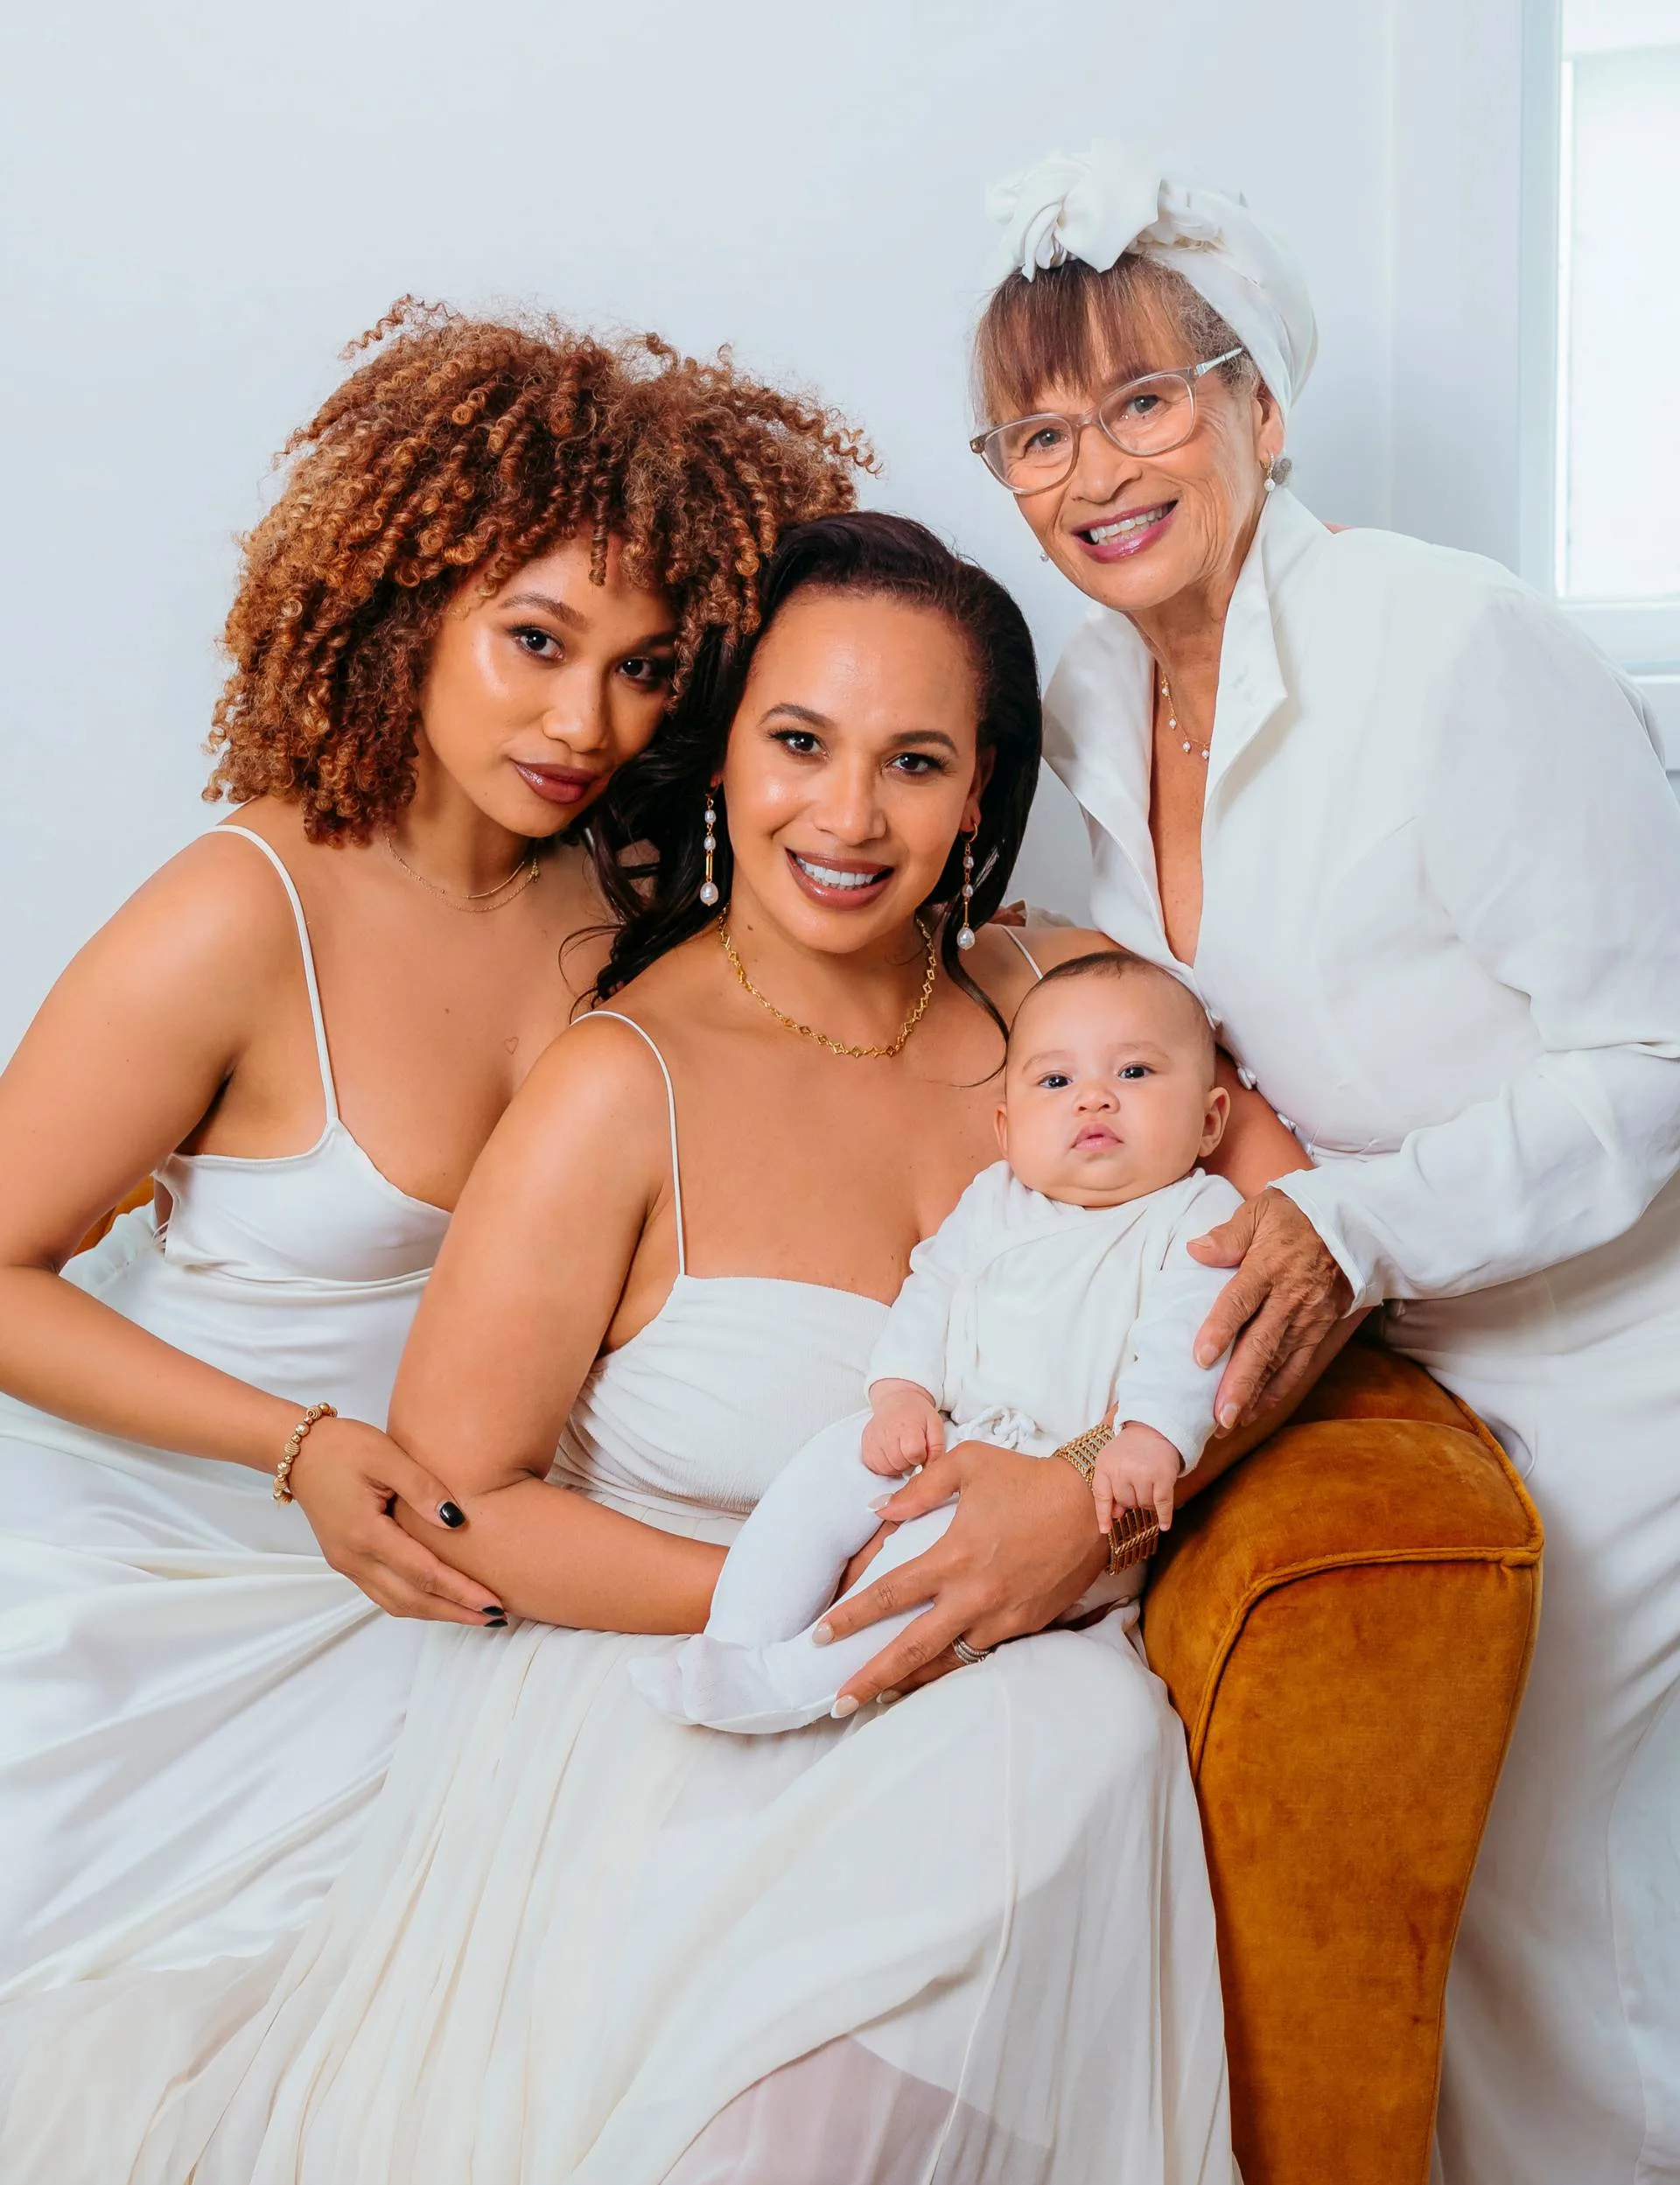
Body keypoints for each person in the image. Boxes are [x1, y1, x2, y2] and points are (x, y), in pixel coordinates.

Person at [0, 512, 1312, 2182]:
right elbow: (458, 1493)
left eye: (914, 762)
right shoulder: (616, 1078)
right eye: (797, 743)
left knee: (1070, 1746)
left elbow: (1313, 1262)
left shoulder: (1072, 1006)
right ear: (727, 758)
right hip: (650, 1671)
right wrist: (824, 1593)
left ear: (983, 790)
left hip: (986, 1687)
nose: (847, 815)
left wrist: (1092, 1505)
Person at [0, 298, 867, 2002]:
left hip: (467, 1580)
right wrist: (298, 1447)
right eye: (533, 641)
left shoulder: (620, 908)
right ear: (412, 607)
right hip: (172, 1589)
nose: (585, 723)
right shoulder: (241, 914)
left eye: (639, 671)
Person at [970, 140, 1680, 2185]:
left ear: (1258, 405)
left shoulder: (1453, 644)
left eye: (1137, 396)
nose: (1086, 460)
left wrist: (1347, 1212)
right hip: (1375, 1351)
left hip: (1606, 1356)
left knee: (1548, 1911)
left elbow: (1651, 1051)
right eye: (1033, 426)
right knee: (1382, 1904)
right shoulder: (1096, 689)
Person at [638, 948, 1242, 1733]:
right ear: (1006, 1126)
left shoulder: (1197, 1215)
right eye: (1055, 1082)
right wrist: (903, 1392)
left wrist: (1150, 1434)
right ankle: (736, 1637)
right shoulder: (997, 1200)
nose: (1094, 1098)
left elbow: (1191, 1340)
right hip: (955, 1436)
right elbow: (932, 1288)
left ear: (1209, 1119)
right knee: (832, 1464)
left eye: (1135, 1073)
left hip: (1061, 1486)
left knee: (929, 1559)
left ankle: (790, 1683)